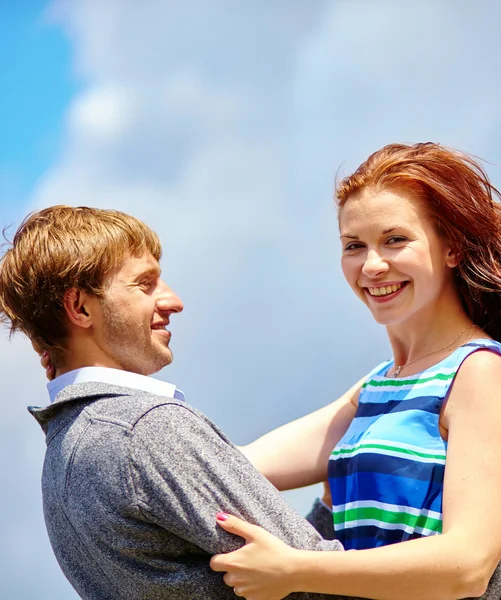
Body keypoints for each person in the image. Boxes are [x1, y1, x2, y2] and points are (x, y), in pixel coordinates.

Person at [209, 143, 501, 600]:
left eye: (395, 240)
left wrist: (295, 570)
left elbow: (467, 565)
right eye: (354, 246)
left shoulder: (480, 373)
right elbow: (230, 468)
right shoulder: (378, 387)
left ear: (452, 248)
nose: (372, 265)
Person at [0, 205, 364, 600]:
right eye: (145, 284)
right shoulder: (145, 429)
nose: (173, 301)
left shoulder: (65, 448)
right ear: (81, 308)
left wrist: (327, 512)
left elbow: (267, 571)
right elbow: (316, 579)